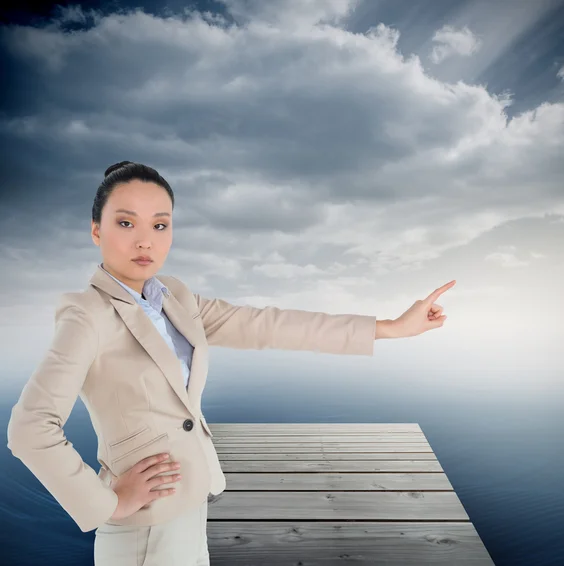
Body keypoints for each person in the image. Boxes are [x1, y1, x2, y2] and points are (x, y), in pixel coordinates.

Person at [6, 161, 454, 565]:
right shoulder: (87, 315)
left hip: (191, 503)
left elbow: (268, 325)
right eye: (126, 223)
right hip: (145, 533)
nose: (145, 240)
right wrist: (107, 503)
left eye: (160, 225)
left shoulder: (174, 297)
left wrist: (390, 327)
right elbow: (30, 428)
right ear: (96, 231)